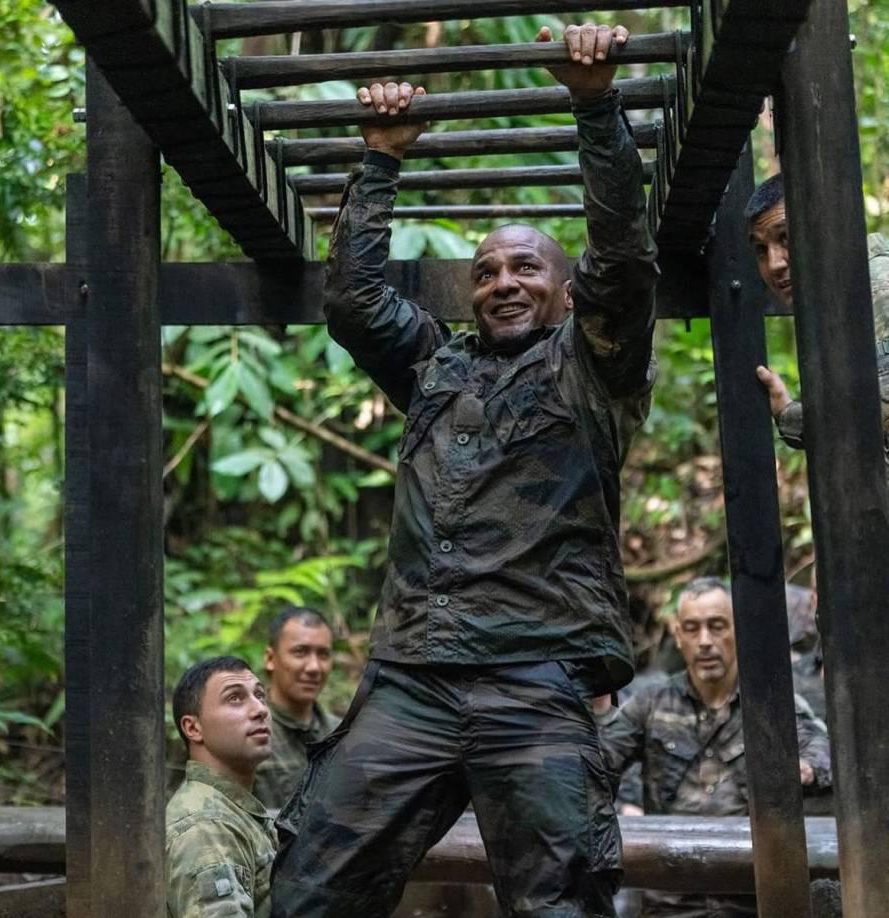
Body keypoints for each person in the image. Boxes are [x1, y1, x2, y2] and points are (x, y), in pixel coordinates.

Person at [271, 21, 658, 918]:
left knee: (560, 897)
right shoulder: (435, 367)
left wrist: (595, 107)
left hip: (537, 677)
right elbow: (356, 301)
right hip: (414, 677)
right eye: (485, 271)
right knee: (307, 886)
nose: (502, 281)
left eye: (526, 266)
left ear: (564, 292)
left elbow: (627, 260)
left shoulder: (591, 364)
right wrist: (380, 160)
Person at [599, 577, 832, 917]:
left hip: (751, 896)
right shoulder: (650, 704)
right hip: (671, 899)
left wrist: (804, 769)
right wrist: (623, 806)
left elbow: (821, 749)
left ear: (738, 630)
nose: (704, 641)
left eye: (717, 626)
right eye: (692, 629)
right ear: (678, 636)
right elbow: (597, 763)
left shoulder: (769, 703)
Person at [749, 174, 889, 474]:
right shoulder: (831, 306)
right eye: (761, 250)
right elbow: (858, 416)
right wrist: (788, 414)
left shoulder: (877, 285)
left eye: (785, 237)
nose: (774, 264)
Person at [166, 656, 278, 918]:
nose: (259, 709)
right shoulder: (206, 827)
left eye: (260, 696)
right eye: (235, 698)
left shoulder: (230, 809)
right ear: (193, 728)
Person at [253, 606, 340, 809]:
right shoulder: (248, 731)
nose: (314, 667)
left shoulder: (341, 735)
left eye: (323, 654)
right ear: (270, 659)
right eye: (300, 652)